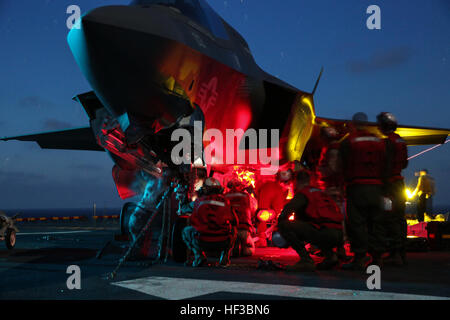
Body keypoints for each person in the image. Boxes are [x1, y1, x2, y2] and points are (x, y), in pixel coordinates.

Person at [340, 112, 388, 270]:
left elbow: (343, 165)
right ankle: (378, 257)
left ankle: (360, 257)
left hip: (357, 187)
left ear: (353, 124)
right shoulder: (379, 141)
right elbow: (385, 163)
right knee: (377, 222)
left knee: (357, 222)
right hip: (377, 187)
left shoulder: (349, 141)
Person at [278, 170, 344, 271]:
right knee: (315, 226)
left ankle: (306, 260)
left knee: (283, 225)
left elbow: (286, 212)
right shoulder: (320, 192)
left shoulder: (304, 193)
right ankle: (331, 256)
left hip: (324, 232)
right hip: (339, 234)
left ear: (296, 182)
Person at [182, 177, 239, 267]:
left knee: (186, 231)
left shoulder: (198, 201)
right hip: (222, 242)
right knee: (234, 230)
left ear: (205, 189)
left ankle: (199, 257)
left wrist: (183, 198)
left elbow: (183, 209)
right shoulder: (226, 202)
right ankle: (224, 259)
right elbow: (236, 221)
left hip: (202, 241)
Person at [377, 112, 408, 266]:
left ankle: (394, 253)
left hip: (389, 186)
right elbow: (405, 164)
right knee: (401, 218)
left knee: (389, 216)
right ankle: (401, 252)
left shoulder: (388, 142)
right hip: (399, 184)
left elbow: (386, 166)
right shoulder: (401, 141)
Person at [254, 170, 291, 247]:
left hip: (267, 187)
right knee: (279, 215)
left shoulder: (267, 184)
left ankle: (262, 239)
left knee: (262, 214)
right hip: (279, 189)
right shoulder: (281, 185)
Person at [225, 179, 255, 257]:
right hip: (244, 228)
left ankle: (233, 248)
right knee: (248, 251)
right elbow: (252, 210)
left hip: (230, 229)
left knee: (230, 248)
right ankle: (244, 248)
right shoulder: (246, 196)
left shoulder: (224, 196)